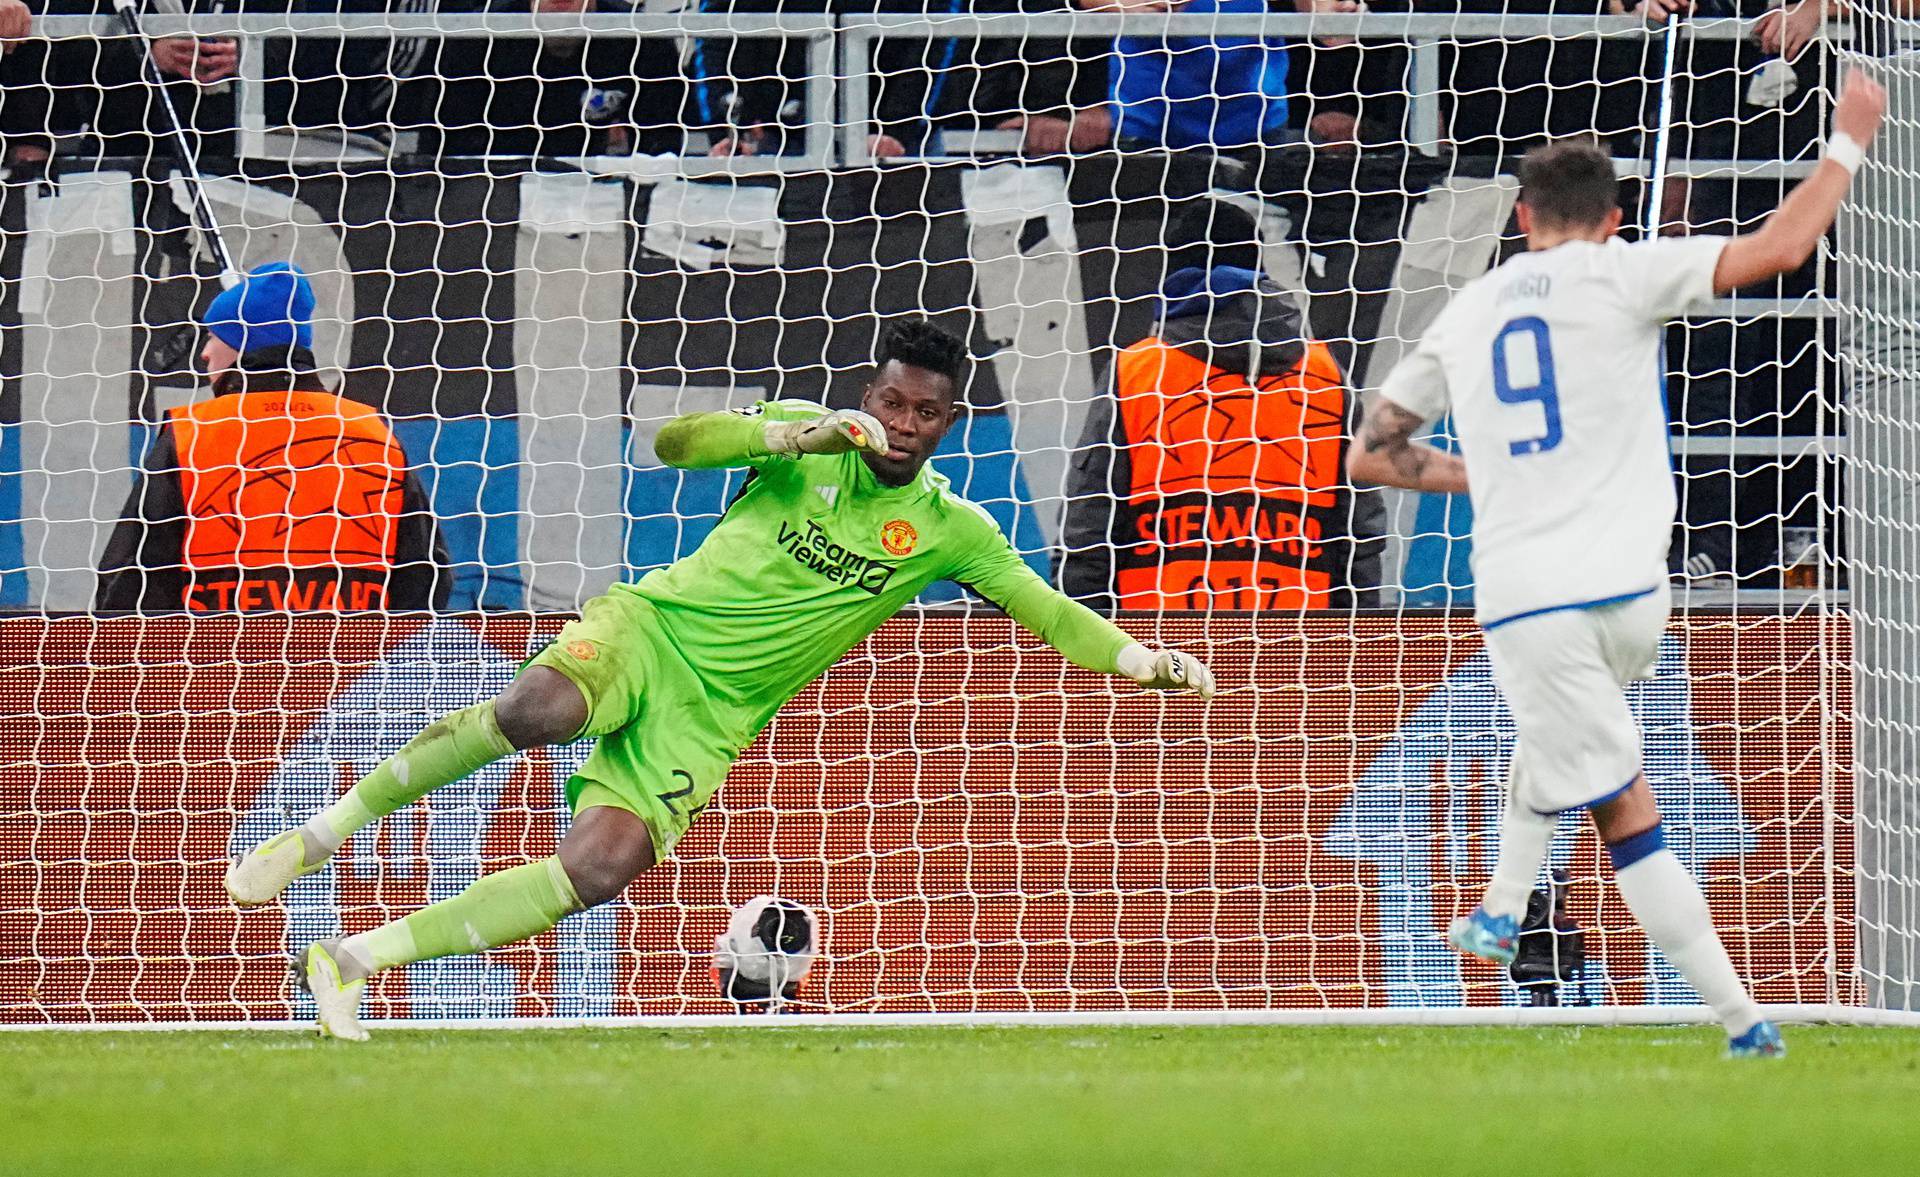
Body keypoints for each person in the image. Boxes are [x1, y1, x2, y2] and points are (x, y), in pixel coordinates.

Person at [223, 318, 1218, 1041]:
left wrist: (1139, 659)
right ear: (865, 397)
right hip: (653, 629)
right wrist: (789, 434)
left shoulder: (951, 530)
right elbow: (673, 444)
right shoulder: (800, 438)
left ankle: (349, 962)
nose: (902, 423)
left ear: (949, 424)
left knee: (600, 868)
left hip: (714, 718)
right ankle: (313, 839)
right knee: (536, 707)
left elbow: (1047, 608)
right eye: (889, 402)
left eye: (926, 412)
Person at [1348, 68, 1886, 1057]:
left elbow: (1372, 451)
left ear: (1520, 215)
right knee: (1555, 743)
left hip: (1530, 597)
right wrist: (1847, 138)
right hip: (1639, 594)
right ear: (1614, 214)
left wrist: (1488, 476)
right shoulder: (1630, 269)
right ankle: (1504, 909)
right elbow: (1781, 246)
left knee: (1624, 808)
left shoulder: (1473, 309)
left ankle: (1743, 1020)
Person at [1057, 206, 1381, 610]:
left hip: (1156, 641)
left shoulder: (1136, 370)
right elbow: (1360, 532)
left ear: (1172, 274)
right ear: (1259, 269)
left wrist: (1078, 644)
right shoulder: (1325, 373)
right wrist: (1361, 637)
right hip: (1297, 643)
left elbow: (1089, 524)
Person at [96, 262, 450, 613]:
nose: (204, 352)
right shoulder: (374, 433)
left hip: (218, 663)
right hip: (347, 663)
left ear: (240, 345)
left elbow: (129, 577)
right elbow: (427, 577)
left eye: (214, 336)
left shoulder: (193, 434)